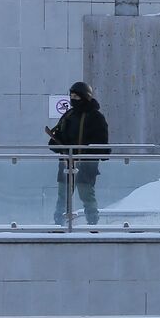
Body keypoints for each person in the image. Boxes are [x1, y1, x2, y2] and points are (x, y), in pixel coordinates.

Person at [46, 81, 111, 228]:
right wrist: (58, 145)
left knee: (86, 195)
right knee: (63, 196)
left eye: (76, 96)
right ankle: (59, 224)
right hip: (66, 163)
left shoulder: (95, 117)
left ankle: (92, 224)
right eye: (72, 96)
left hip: (86, 164)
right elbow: (57, 137)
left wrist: (91, 154)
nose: (73, 99)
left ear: (84, 97)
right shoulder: (68, 115)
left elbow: (103, 145)